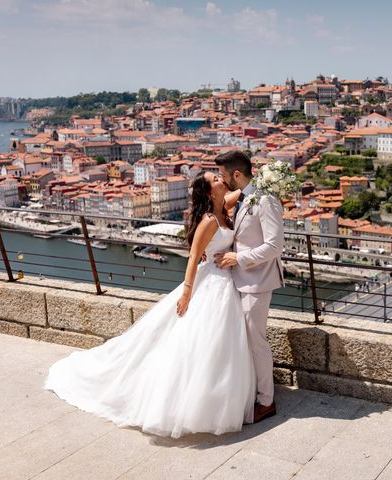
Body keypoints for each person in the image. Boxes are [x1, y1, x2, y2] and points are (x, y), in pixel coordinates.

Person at [45, 172, 255, 438]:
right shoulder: (210, 221)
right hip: (211, 283)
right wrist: (187, 293)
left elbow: (249, 191)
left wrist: (263, 179)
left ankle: (217, 396)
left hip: (224, 283)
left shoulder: (224, 208)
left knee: (219, 343)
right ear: (208, 192)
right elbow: (192, 258)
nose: (221, 180)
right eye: (215, 179)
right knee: (203, 342)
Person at [214, 150, 284, 424]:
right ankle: (252, 391)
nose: (222, 180)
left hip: (257, 281)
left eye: (222, 175)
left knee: (257, 343)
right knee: (246, 341)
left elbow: (274, 246)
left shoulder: (265, 200)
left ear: (237, 175)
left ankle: (266, 401)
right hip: (241, 280)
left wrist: (237, 258)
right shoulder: (245, 196)